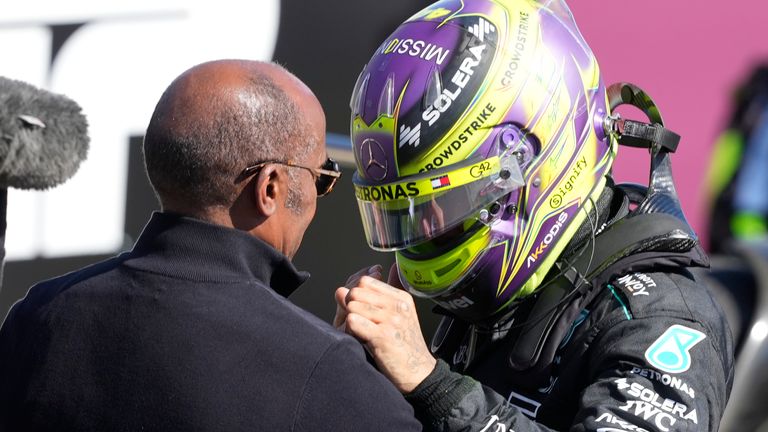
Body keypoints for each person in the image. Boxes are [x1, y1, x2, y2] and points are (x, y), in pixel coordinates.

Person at [335, 0, 734, 431]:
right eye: (404, 217)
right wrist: (368, 383)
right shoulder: (509, 295)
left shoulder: (663, 318)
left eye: (443, 209)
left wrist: (431, 383)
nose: (424, 235)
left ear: (529, 168)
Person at [0, 59, 422, 431]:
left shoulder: (38, 317)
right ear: (270, 187)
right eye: (321, 179)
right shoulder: (327, 374)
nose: (318, 195)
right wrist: (400, 384)